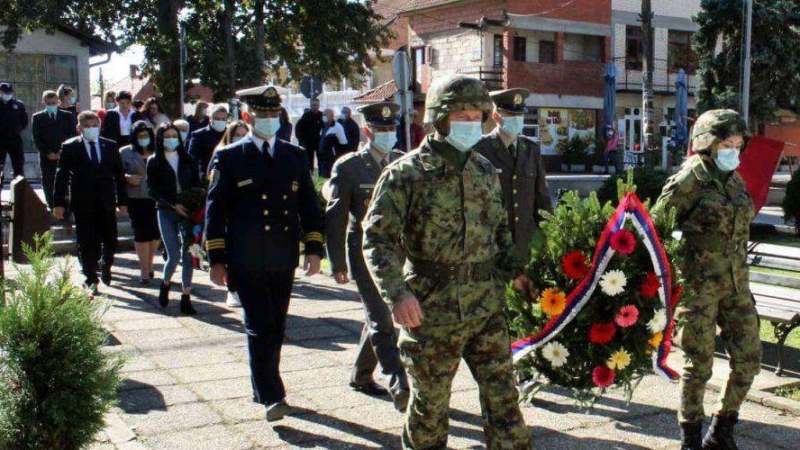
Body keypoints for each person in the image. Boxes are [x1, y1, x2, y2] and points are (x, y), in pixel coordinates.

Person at [362, 75, 531, 450]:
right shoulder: (406, 174)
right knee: (430, 412)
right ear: (439, 118)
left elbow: (499, 231)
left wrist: (516, 273)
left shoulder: (484, 170)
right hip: (431, 312)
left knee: (505, 403)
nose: (471, 121)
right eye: (461, 114)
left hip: (485, 308)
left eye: (477, 114)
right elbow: (377, 240)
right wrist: (397, 295)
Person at [205, 85, 324, 422]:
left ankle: (264, 387)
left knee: (276, 326)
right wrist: (217, 259)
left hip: (282, 256)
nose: (269, 120)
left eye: (274, 114)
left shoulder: (294, 155)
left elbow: (309, 206)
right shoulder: (230, 157)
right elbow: (216, 211)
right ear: (248, 116)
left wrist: (314, 248)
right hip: (246, 258)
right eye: (263, 114)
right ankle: (273, 395)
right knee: (259, 325)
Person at [652, 109, 761, 450]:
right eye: (727, 143)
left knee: (749, 358)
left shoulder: (735, 179)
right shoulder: (690, 179)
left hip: (736, 286)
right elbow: (655, 225)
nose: (734, 150)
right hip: (699, 290)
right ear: (707, 143)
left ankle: (722, 428)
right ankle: (690, 438)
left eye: (738, 144)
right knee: (697, 365)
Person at [325, 101, 409, 409]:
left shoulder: (403, 162)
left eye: (390, 129)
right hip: (364, 255)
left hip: (399, 254)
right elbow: (335, 217)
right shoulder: (349, 167)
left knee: (377, 318)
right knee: (382, 318)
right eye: (380, 129)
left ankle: (361, 375)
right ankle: (398, 380)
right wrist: (336, 263)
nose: (387, 134)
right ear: (366, 131)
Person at [53, 111, 128, 294]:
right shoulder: (70, 147)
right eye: (87, 126)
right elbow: (61, 175)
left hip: (106, 200)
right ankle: (90, 277)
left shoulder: (110, 146)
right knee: (87, 241)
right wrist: (59, 202)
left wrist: (123, 201)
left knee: (110, 238)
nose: (91, 129)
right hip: (83, 201)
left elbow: (119, 175)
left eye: (95, 125)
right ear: (79, 127)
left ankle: (106, 264)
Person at [475, 88, 552, 263]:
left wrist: (547, 236)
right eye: (510, 115)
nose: (516, 120)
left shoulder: (531, 149)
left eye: (519, 115)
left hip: (526, 245)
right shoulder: (480, 149)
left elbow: (542, 199)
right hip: (492, 247)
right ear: (496, 117)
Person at [147, 122, 201, 314]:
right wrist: (173, 203)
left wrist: (192, 204)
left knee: (189, 254)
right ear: (160, 139)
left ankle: (186, 296)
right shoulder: (154, 161)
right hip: (166, 210)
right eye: (167, 136)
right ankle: (165, 283)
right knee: (174, 254)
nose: (171, 139)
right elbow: (152, 190)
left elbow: (197, 184)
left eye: (174, 136)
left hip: (187, 211)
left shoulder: (188, 160)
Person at [207, 120, 250, 307]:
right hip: (229, 215)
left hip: (249, 214)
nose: (240, 138)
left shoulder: (253, 155)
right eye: (237, 135)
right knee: (233, 251)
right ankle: (232, 289)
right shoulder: (223, 156)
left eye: (244, 134)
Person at [120, 121, 160, 284]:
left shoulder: (159, 151)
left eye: (146, 134)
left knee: (155, 234)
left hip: (157, 198)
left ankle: (150, 264)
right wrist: (126, 178)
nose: (144, 138)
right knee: (141, 233)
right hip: (136, 198)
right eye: (140, 135)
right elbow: (116, 174)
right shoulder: (125, 152)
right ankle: (144, 270)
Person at [32, 90, 73, 208]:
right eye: (49, 103)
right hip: (46, 155)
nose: (51, 105)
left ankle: (65, 205)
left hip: (64, 154)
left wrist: (62, 151)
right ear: (44, 102)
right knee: (48, 180)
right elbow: (36, 138)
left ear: (58, 101)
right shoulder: (38, 117)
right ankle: (52, 204)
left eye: (54, 103)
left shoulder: (67, 116)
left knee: (65, 179)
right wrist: (47, 153)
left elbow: (71, 135)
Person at [188, 105, 228, 176]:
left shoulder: (229, 134)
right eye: (217, 118)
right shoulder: (198, 135)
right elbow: (193, 159)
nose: (220, 121)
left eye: (223, 119)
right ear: (210, 119)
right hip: (206, 176)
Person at [0, 83, 29, 178]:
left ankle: (19, 190)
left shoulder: (18, 105)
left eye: (9, 92)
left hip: (15, 139)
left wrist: (17, 129)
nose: (7, 94)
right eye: (5, 92)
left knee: (18, 167)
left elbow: (24, 121)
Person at [294, 98, 324, 173]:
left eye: (317, 105)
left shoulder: (322, 115)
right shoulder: (306, 116)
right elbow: (298, 129)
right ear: (310, 106)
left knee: (321, 161)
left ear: (319, 106)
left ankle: (321, 177)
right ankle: (310, 176)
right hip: (307, 143)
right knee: (309, 163)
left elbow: (326, 128)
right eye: (313, 105)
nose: (315, 107)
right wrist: (301, 141)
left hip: (318, 142)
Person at [318, 108, 347, 177]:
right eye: (323, 115)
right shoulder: (323, 126)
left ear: (331, 116)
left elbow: (343, 142)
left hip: (332, 158)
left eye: (325, 115)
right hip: (323, 157)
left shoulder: (338, 127)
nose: (323, 117)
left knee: (331, 176)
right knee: (323, 176)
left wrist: (336, 155)